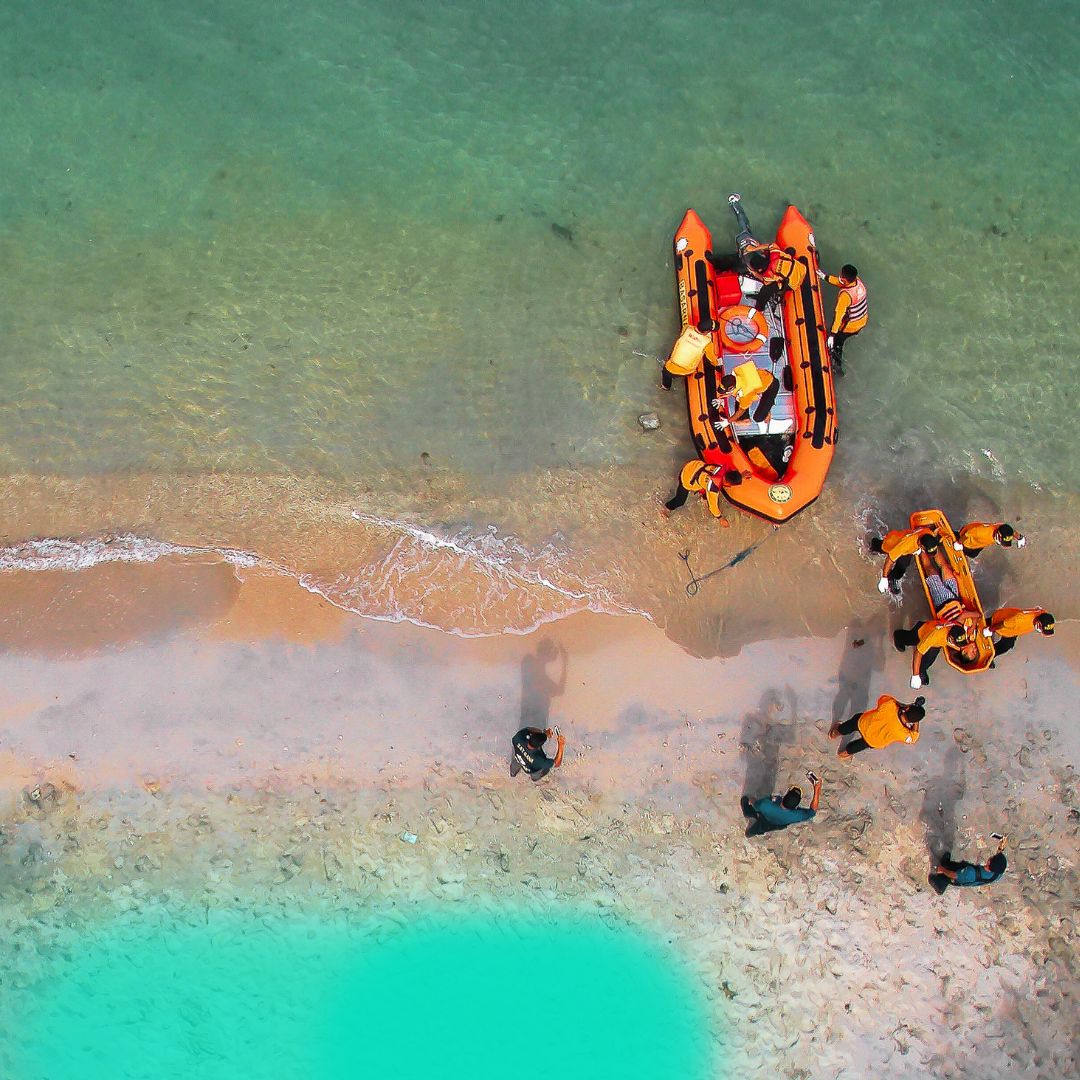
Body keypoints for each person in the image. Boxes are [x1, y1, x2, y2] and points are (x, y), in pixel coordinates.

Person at [704, 194, 805, 311]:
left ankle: (760, 307)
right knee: (736, 261)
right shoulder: (776, 255)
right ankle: (716, 262)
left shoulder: (770, 274)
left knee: (767, 290)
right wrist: (753, 249)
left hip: (792, 282)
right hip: (798, 269)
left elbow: (763, 279)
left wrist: (752, 271)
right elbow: (771, 246)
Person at [829, 694, 925, 760]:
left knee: (848, 726)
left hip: (864, 723)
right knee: (857, 746)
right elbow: (913, 738)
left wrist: (902, 705)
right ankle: (843, 754)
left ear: (907, 708)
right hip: (874, 740)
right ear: (913, 721)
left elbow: (883, 698)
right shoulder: (902, 733)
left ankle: (834, 734)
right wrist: (916, 723)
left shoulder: (890, 705)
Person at [816, 264, 867, 374]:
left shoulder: (845, 297)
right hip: (862, 320)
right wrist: (825, 277)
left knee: (837, 343)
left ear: (844, 279)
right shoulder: (857, 283)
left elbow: (838, 316)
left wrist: (832, 335)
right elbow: (841, 283)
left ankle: (838, 366)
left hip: (850, 326)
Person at [741, 770, 822, 836]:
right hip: (778, 825)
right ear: (796, 806)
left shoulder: (766, 805)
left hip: (766, 815)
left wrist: (752, 799)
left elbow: (756, 804)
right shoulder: (796, 816)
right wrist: (817, 790)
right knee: (760, 828)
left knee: (754, 810)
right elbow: (812, 811)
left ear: (784, 797)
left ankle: (748, 813)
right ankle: (750, 832)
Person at [893, 619, 970, 688]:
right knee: (909, 639)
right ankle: (898, 636)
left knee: (929, 660)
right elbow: (918, 652)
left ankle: (921, 669)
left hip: (937, 643)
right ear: (951, 638)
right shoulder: (936, 635)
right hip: (921, 633)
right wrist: (915, 676)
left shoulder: (958, 628)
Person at [661, 460, 740, 524]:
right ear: (727, 482)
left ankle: (703, 497)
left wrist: (741, 475)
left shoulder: (722, 468)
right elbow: (713, 506)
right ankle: (666, 508)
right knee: (680, 500)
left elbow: (727, 477)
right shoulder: (713, 487)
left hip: (693, 465)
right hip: (686, 477)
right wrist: (720, 518)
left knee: (704, 487)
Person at [869, 526, 939, 594]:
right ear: (921, 545)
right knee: (880, 547)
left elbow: (932, 532)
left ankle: (893, 577)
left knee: (903, 565)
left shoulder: (928, 533)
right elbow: (890, 559)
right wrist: (884, 578)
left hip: (907, 544)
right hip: (893, 543)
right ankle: (871, 544)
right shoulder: (906, 545)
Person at [929, 836, 1008, 895]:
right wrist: (1000, 848)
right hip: (968, 875)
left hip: (958, 878)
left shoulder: (971, 872)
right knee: (961, 865)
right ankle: (946, 865)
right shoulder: (998, 874)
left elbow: (954, 875)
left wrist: (942, 869)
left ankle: (940, 885)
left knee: (945, 873)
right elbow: (996, 862)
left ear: (989, 862)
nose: (992, 856)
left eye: (993, 857)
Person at [711, 362, 779, 423]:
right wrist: (721, 399)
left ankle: (766, 412)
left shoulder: (745, 393)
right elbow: (732, 392)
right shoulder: (736, 373)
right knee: (739, 397)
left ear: (731, 387)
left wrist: (728, 421)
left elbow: (741, 410)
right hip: (762, 376)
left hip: (771, 386)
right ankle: (744, 418)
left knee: (758, 418)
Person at [662, 317, 718, 390]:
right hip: (687, 370)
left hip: (668, 368)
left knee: (665, 377)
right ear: (707, 331)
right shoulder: (707, 343)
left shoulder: (686, 328)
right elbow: (712, 359)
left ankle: (665, 387)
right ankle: (692, 374)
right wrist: (716, 364)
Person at [983, 607, 1055, 657]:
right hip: (1000, 621)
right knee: (983, 626)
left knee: (1006, 646)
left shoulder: (1042, 613)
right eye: (1041, 629)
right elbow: (1002, 624)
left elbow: (1038, 609)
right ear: (1038, 622)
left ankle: (990, 656)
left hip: (1014, 630)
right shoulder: (1019, 620)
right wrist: (989, 630)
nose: (1041, 631)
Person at [954, 521, 1025, 559]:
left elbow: (1011, 531)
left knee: (973, 554)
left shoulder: (1003, 528)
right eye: (1002, 541)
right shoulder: (983, 532)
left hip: (981, 542)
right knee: (967, 550)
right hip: (969, 540)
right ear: (998, 535)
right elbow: (967, 534)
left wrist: (1020, 538)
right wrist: (959, 543)